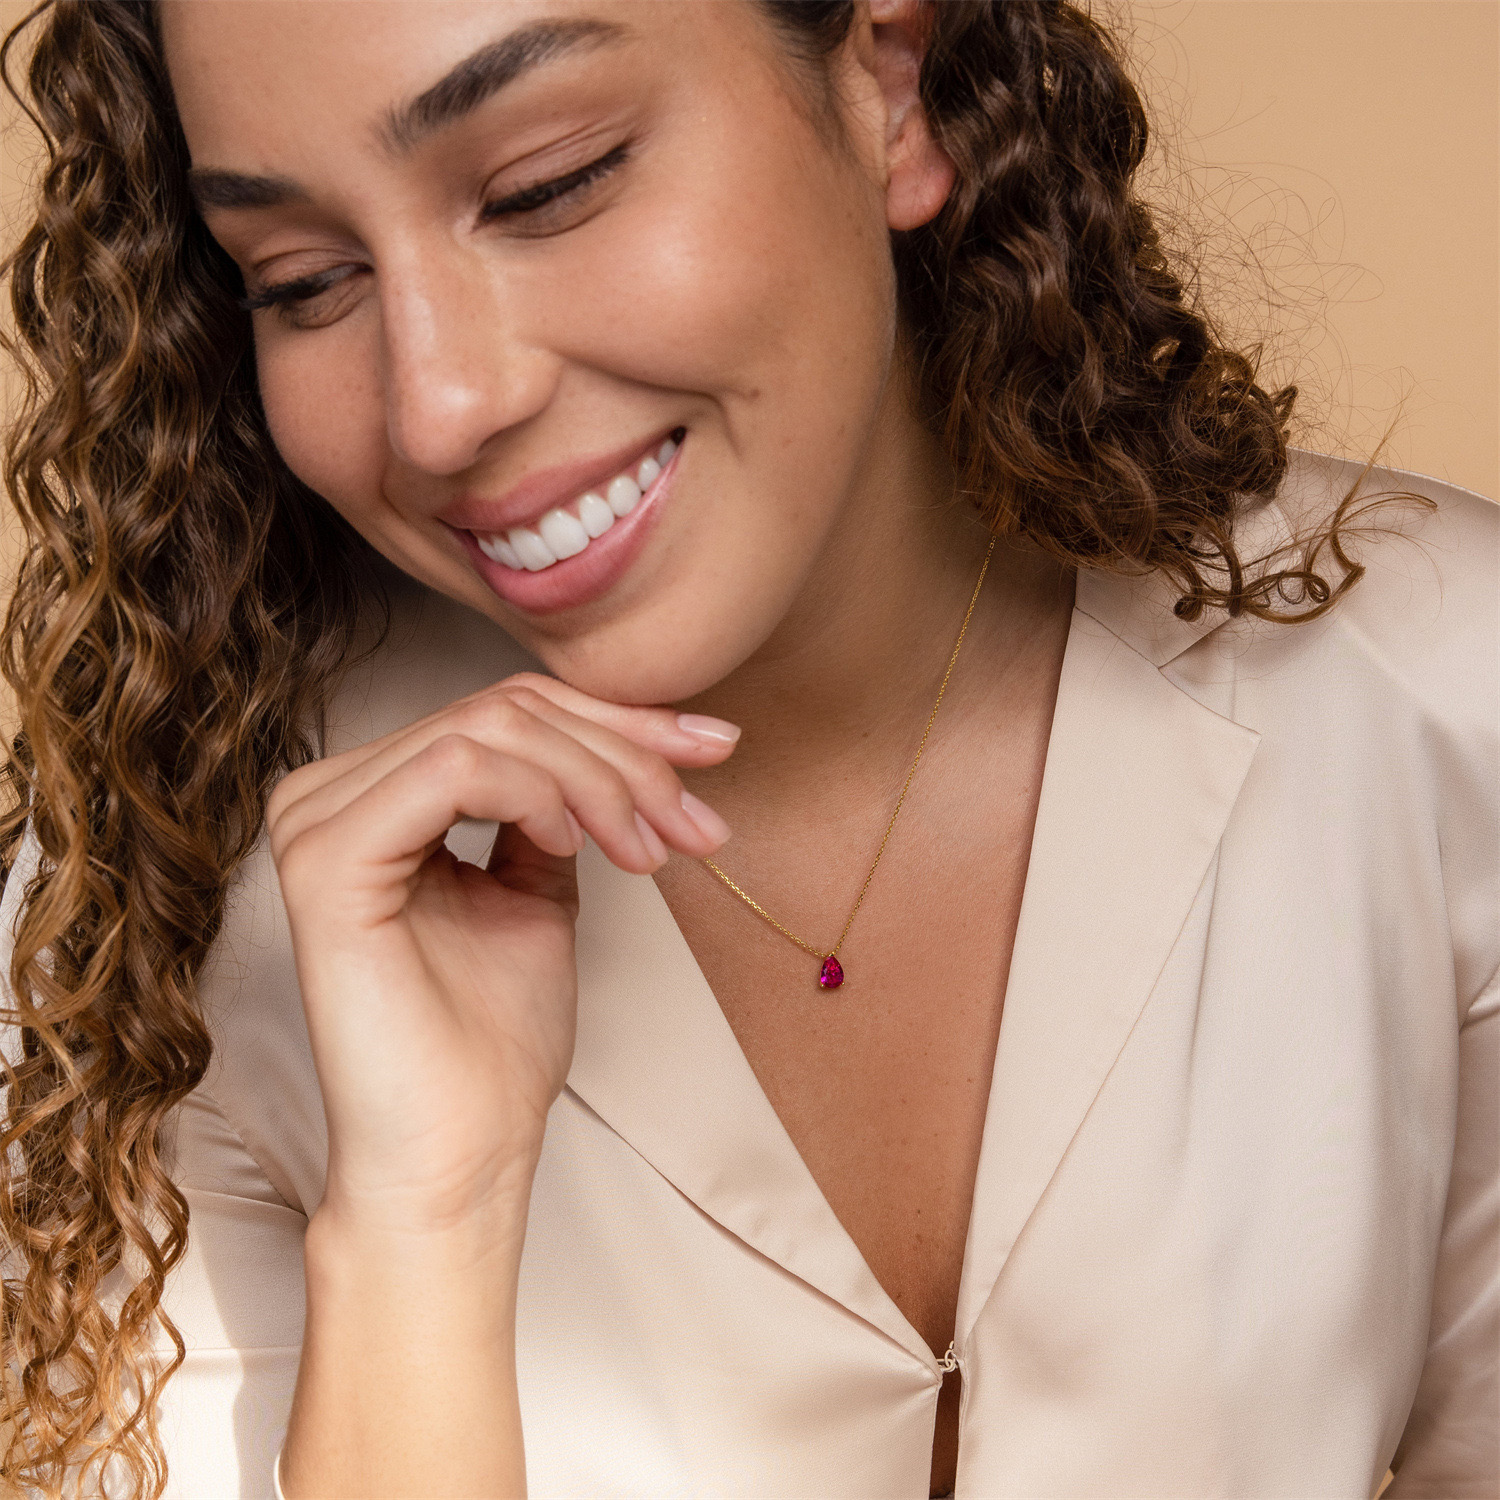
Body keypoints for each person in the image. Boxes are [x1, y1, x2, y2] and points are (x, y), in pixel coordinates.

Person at [0, 0, 1493, 1496]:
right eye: (305, 282)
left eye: (548, 185)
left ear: (893, 83)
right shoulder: (148, 920)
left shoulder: (1435, 694)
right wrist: (420, 1229)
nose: (441, 407)